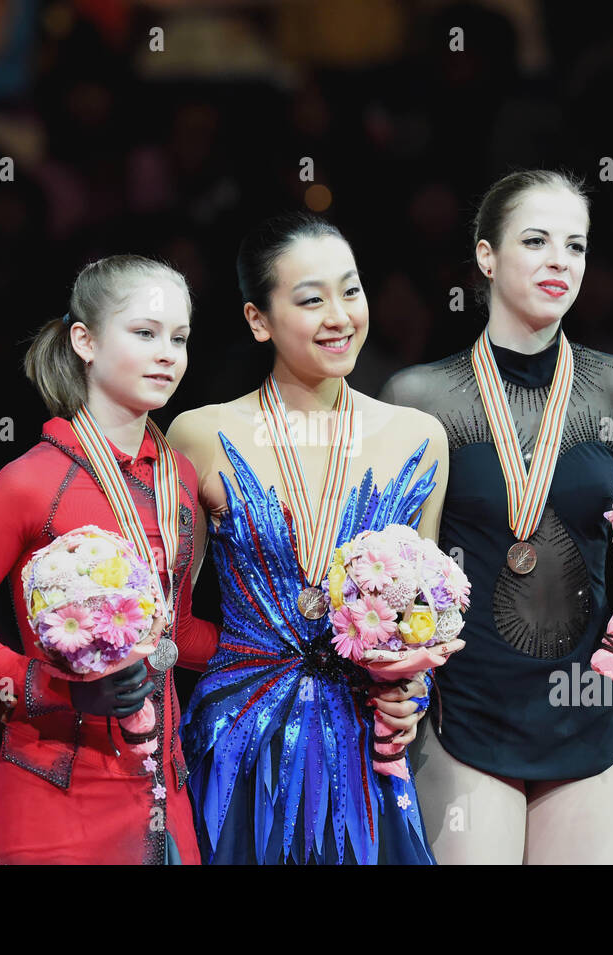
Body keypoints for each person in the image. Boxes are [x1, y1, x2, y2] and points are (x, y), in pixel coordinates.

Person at [380, 170, 613, 864]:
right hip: (463, 709)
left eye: (576, 245)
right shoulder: (420, 397)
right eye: (536, 240)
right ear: (486, 256)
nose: (560, 260)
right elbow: (396, 572)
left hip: (585, 711)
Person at [167, 212, 458, 864]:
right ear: (258, 320)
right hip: (238, 745)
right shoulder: (200, 434)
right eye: (310, 299)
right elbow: (167, 617)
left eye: (350, 291)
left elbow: (429, 620)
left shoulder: (420, 438)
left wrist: (409, 692)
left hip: (364, 751)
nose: (339, 315)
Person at [0, 255, 220, 864]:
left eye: (180, 338)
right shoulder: (28, 482)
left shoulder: (180, 478)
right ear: (84, 340)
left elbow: (175, 631)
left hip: (165, 790)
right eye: (145, 333)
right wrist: (47, 687)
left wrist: (284, 653)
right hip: (57, 790)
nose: (168, 353)